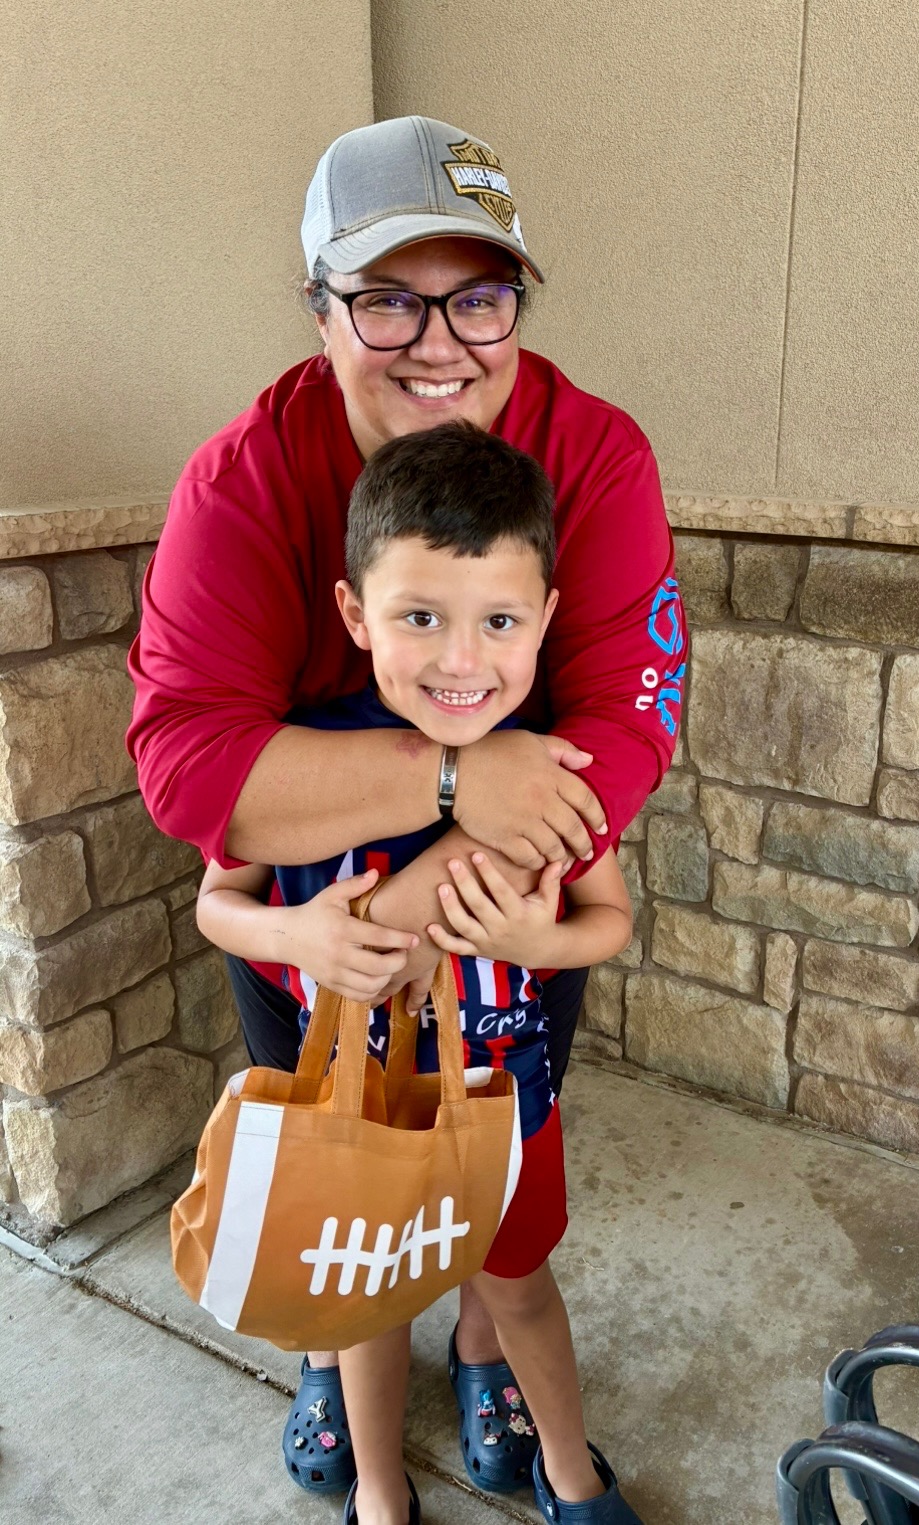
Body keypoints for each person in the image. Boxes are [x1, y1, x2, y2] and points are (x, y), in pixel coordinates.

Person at [128, 115, 685, 1504]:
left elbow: (626, 726)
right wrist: (456, 779)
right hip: (318, 945)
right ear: (319, 308)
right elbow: (192, 773)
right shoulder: (245, 481)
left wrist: (416, 890)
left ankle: (485, 1347)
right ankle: (338, 1350)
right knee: (340, 1183)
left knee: (498, 1193)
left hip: (501, 932)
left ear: (517, 304)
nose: (441, 345)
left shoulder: (595, 455)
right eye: (387, 299)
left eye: (478, 297)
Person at [196, 421, 644, 1525]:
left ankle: (571, 1472)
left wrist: (539, 946)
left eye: (499, 620)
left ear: (545, 616)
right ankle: (383, 1491)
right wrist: (295, 935)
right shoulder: (306, 764)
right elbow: (217, 902)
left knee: (519, 1288)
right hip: (354, 1102)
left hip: (504, 1100)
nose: (460, 661)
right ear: (356, 616)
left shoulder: (546, 771)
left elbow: (608, 920)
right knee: (367, 1303)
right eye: (420, 617)